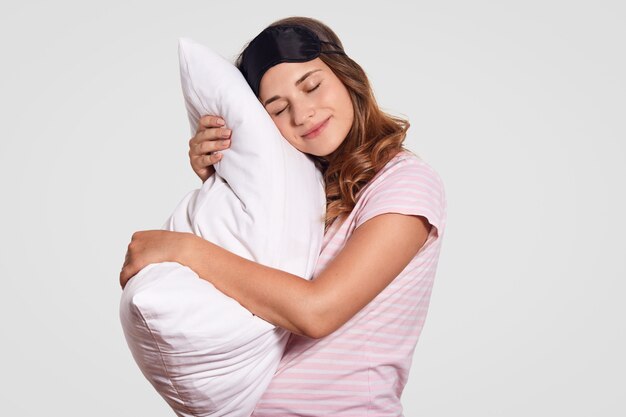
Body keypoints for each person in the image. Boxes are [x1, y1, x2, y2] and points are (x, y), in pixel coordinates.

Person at [120, 16, 447, 417]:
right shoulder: (305, 190)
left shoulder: (405, 182)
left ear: (348, 78)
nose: (303, 113)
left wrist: (186, 249)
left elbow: (317, 312)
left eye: (312, 86)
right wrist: (224, 183)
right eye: (277, 108)